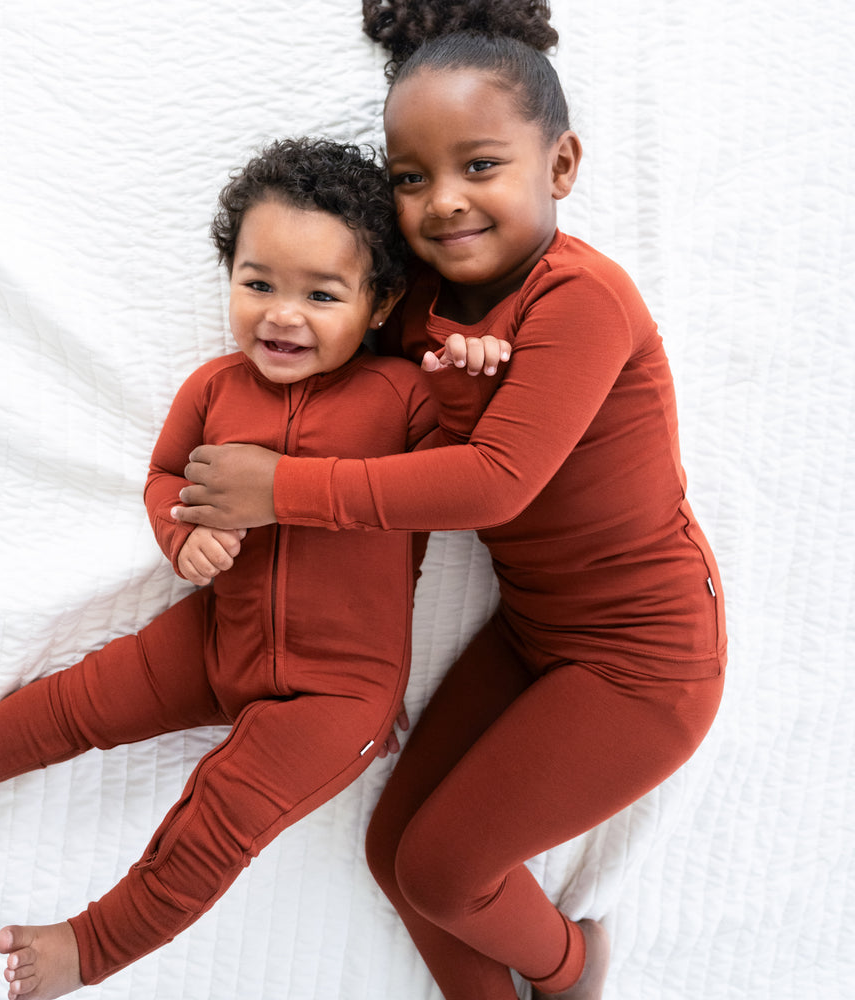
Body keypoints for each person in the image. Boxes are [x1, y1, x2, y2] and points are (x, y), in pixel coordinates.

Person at [0, 136, 502, 1000]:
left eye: (322, 294)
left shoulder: (399, 397)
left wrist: (470, 380)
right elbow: (167, 476)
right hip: (216, 634)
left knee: (216, 813)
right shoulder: (214, 388)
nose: (283, 315)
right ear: (229, 273)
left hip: (338, 692)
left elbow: (456, 479)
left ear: (380, 301)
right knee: (81, 695)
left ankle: (92, 947)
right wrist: (179, 535)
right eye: (258, 283)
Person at [169, 3, 729, 999]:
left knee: (442, 868)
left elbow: (492, 481)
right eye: (410, 178)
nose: (442, 203)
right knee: (396, 852)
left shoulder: (582, 299)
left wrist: (279, 489)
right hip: (534, 634)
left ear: (559, 168)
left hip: (645, 659)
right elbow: (356, 395)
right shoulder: (418, 302)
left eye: (480, 167)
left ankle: (569, 970)